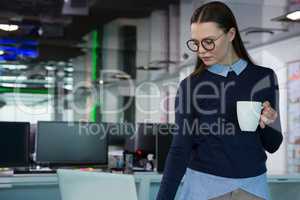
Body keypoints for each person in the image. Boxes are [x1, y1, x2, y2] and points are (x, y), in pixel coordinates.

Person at [156, 1, 283, 200]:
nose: (201, 50)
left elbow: (273, 145)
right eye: (196, 43)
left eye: (208, 41)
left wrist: (270, 122)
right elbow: (180, 149)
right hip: (204, 189)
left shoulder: (264, 78)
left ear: (231, 35)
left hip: (253, 189)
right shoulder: (191, 86)